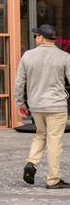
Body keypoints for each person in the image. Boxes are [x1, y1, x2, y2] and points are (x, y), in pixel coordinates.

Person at [15, 24, 70, 189]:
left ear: (41, 38)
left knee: (40, 135)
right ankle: (53, 179)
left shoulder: (27, 56)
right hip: (56, 106)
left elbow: (19, 83)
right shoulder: (64, 57)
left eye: (36, 36)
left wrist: (20, 103)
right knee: (54, 141)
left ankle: (32, 163)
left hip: (36, 106)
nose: (35, 38)